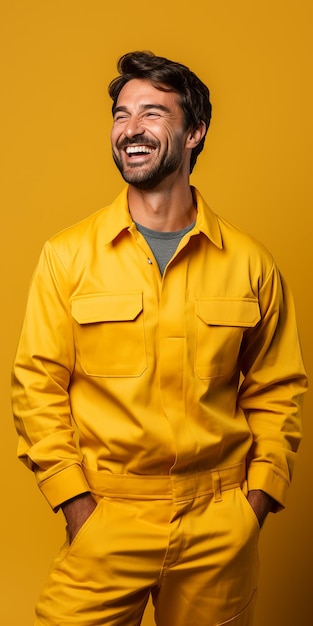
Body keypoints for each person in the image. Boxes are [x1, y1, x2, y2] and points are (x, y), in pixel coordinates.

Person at [12, 51, 307, 626]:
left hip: (219, 525)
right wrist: (76, 506)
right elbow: (36, 388)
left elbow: (279, 390)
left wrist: (256, 504)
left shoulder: (250, 263)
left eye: (152, 114)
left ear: (194, 132)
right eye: (121, 115)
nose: (130, 130)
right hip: (107, 518)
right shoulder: (67, 256)